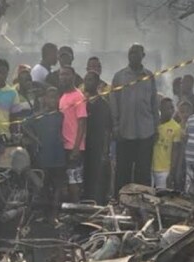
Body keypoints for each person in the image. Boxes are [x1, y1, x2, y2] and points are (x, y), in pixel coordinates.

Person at [111, 44, 158, 191]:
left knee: (143, 172)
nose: (133, 55)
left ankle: (144, 201)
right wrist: (116, 126)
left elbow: (154, 103)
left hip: (146, 131)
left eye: (136, 53)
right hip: (125, 131)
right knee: (122, 172)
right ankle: (120, 200)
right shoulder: (119, 76)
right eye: (131, 53)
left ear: (143, 56)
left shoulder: (149, 76)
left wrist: (155, 127)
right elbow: (114, 102)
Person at [24, 86, 66, 222]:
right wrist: (36, 139)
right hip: (44, 155)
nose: (53, 100)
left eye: (55, 97)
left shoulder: (61, 115)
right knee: (44, 185)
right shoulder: (38, 116)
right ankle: (45, 213)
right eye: (50, 97)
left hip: (58, 154)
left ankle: (55, 213)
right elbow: (24, 125)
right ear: (45, 99)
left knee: (58, 185)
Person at [83, 71, 112, 204]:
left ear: (97, 83)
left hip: (97, 146)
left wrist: (105, 150)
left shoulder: (103, 105)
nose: (87, 82)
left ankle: (97, 203)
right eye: (86, 79)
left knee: (96, 177)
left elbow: (107, 129)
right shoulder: (82, 102)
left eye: (90, 80)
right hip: (83, 145)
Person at [58, 66, 87, 203]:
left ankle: (77, 208)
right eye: (61, 74)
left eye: (67, 74)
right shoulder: (63, 97)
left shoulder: (78, 96)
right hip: (64, 146)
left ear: (73, 77)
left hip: (74, 146)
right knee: (66, 182)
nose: (64, 77)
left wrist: (76, 148)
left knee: (74, 181)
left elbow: (82, 123)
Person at [151, 98, 182, 190]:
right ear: (161, 108)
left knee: (162, 195)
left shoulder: (176, 127)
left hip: (164, 170)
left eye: (172, 108)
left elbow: (175, 151)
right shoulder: (153, 124)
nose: (171, 110)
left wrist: (172, 172)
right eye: (168, 108)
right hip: (150, 167)